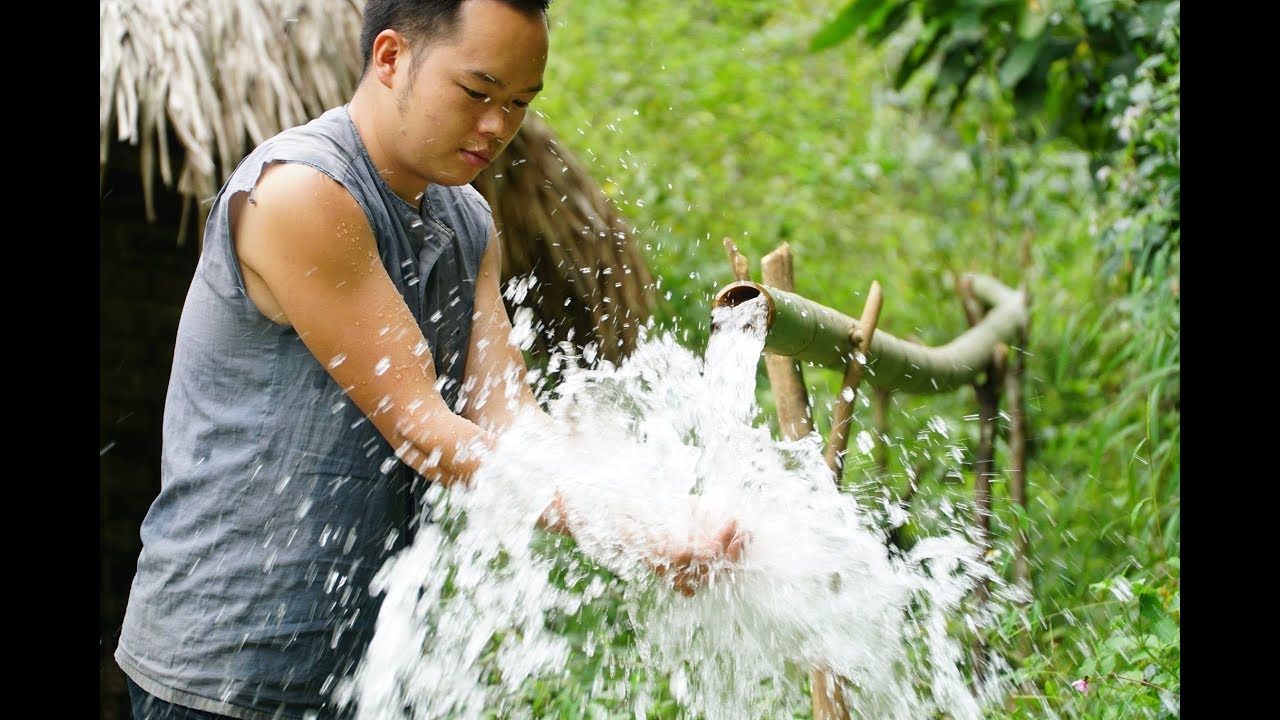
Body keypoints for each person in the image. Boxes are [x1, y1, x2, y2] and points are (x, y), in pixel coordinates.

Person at [113, 1, 745, 718]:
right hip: (225, 668)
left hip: (369, 667)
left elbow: (509, 421)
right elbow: (425, 428)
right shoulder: (302, 194)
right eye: (477, 93)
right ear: (389, 58)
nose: (498, 127)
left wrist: (657, 503)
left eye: (519, 103)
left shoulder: (468, 219)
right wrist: (618, 523)